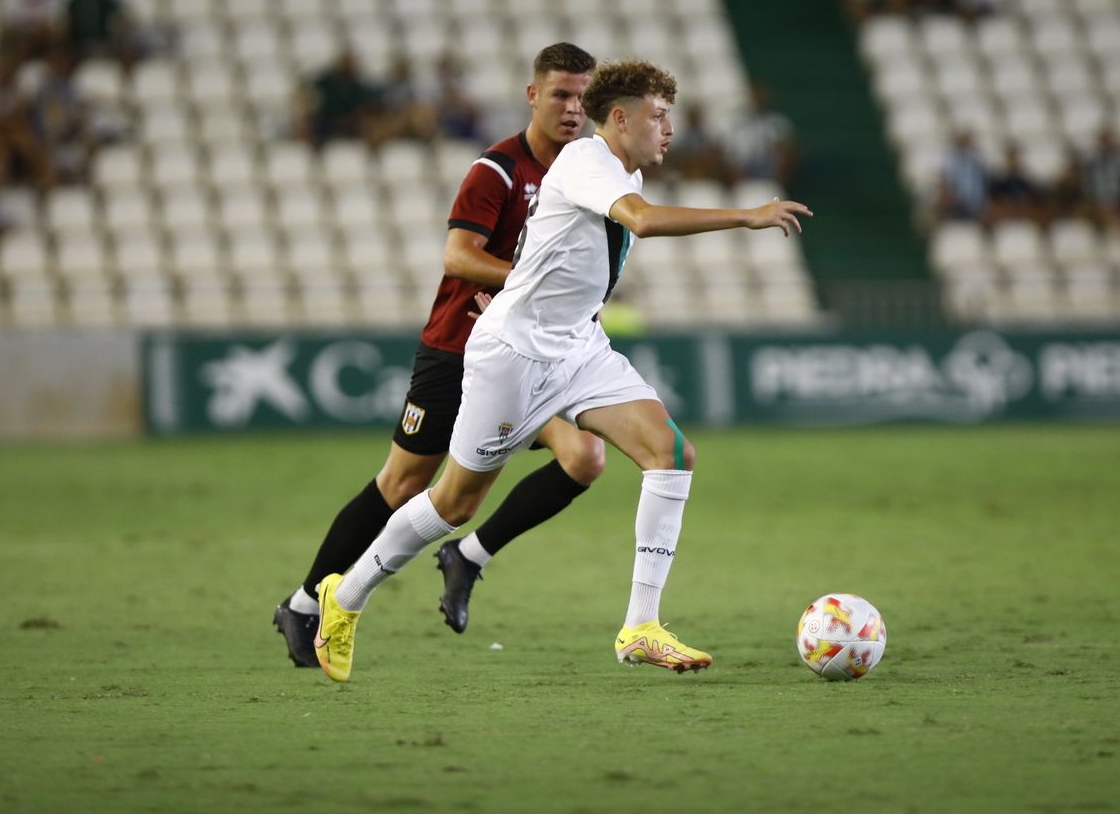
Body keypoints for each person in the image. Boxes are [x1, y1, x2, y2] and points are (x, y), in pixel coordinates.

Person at [310, 58, 811, 682]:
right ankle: (345, 595)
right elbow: (645, 222)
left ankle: (641, 627)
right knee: (452, 502)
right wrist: (746, 214)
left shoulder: (614, 169)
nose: (669, 130)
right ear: (621, 119)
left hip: (577, 348)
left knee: (671, 453)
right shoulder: (583, 161)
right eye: (658, 116)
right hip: (513, 356)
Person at [272, 43, 608, 669]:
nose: (573, 109)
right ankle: (303, 603)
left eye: (584, 98)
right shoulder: (498, 171)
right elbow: (459, 256)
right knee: (403, 485)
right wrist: (529, 286)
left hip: (532, 357)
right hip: (456, 352)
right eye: (561, 94)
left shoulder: (588, 175)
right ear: (533, 96)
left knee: (585, 457)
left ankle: (468, 555)